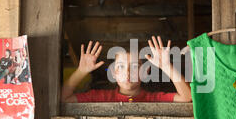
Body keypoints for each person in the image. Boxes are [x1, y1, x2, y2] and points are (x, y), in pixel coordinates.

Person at [61, 36, 192, 103]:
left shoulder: (153, 98)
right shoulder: (101, 97)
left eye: (135, 66)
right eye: (121, 66)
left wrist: (167, 67)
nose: (128, 72)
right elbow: (63, 98)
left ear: (145, 73)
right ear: (113, 73)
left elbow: (187, 97)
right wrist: (81, 71)